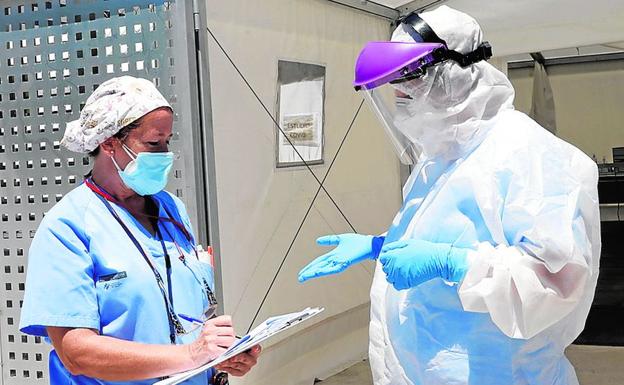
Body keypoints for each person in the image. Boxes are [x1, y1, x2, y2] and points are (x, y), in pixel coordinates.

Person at [298, 6, 600, 385]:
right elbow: (450, 231)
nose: (401, 96)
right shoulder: (441, 155)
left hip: (501, 373)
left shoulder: (528, 154)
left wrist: (453, 264)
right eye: (396, 84)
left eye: (411, 80)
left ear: (458, 71)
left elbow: (553, 286)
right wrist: (380, 245)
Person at [19, 76, 260, 384]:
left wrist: (221, 352)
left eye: (167, 141)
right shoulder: (67, 227)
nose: (165, 153)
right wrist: (191, 355)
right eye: (153, 143)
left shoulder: (171, 210)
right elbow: (76, 353)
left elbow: (183, 316)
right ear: (109, 143)